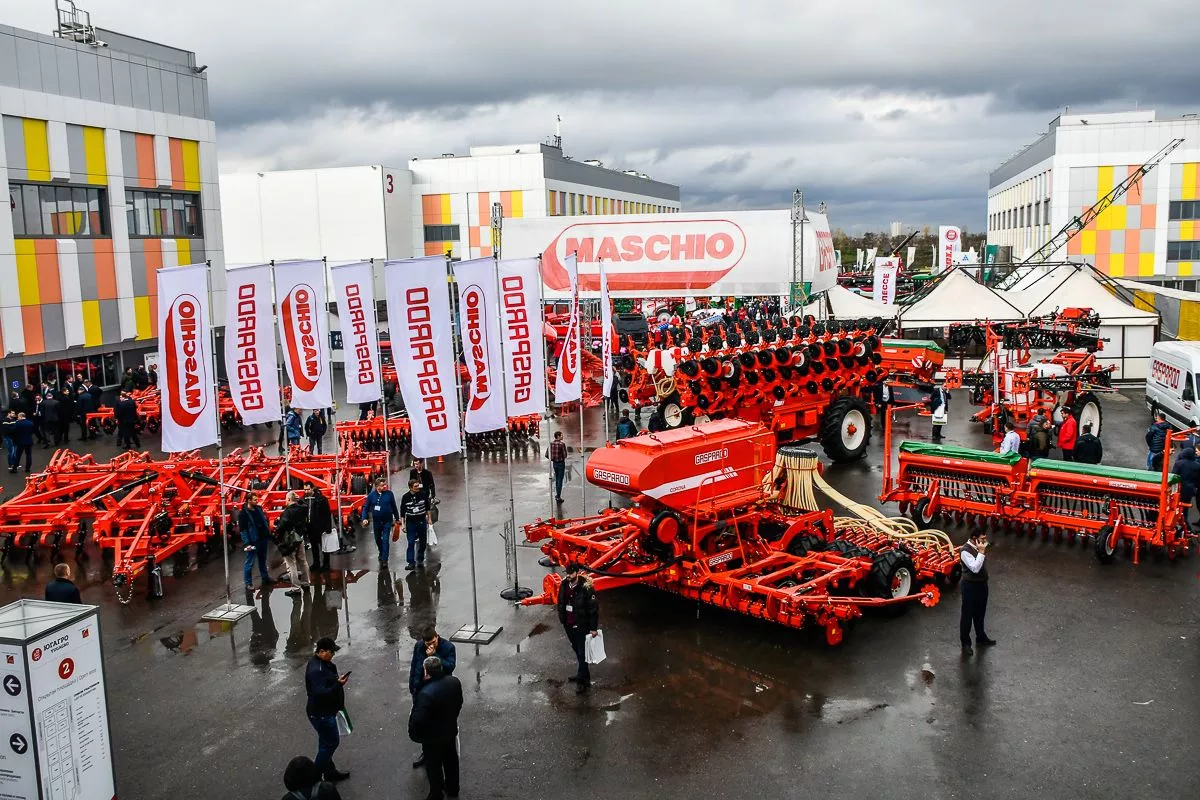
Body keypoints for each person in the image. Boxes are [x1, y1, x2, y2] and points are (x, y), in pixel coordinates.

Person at [408, 655, 463, 800]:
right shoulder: (454, 682)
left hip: (432, 738)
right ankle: (453, 788)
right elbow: (459, 703)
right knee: (451, 762)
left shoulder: (426, 693)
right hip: (450, 731)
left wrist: (415, 732)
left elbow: (418, 719)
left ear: (426, 671)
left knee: (434, 767)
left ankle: (437, 793)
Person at [409, 627, 457, 770]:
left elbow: (450, 667)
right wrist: (413, 687)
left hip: (439, 693)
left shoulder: (448, 647)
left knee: (442, 724)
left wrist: (435, 655)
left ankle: (445, 754)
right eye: (427, 644)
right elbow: (414, 666)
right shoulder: (419, 646)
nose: (430, 646)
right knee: (424, 723)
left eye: (433, 642)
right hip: (421, 691)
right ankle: (427, 753)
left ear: (437, 637)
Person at [305, 637, 350, 783]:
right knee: (331, 743)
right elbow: (320, 693)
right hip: (321, 714)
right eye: (331, 652)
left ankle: (329, 772)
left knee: (325, 743)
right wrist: (338, 684)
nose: (333, 655)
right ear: (321, 652)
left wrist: (336, 682)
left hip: (324, 712)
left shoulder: (322, 664)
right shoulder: (316, 670)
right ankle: (315, 777)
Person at [556, 563, 599, 693]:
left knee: (581, 652)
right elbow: (561, 602)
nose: (568, 576)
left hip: (581, 625)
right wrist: (563, 619)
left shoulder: (586, 588)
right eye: (567, 573)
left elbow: (593, 609)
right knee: (577, 650)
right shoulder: (564, 585)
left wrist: (593, 628)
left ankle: (581, 681)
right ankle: (585, 676)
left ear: (577, 573)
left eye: (571, 573)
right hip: (568, 624)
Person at [959, 529, 996, 656]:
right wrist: (981, 552)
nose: (985, 542)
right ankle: (965, 644)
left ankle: (981, 637)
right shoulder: (965, 551)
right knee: (967, 615)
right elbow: (975, 568)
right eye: (982, 539)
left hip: (982, 585)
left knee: (980, 613)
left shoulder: (979, 546)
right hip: (970, 587)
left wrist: (982, 549)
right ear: (974, 539)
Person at [274, 491, 312, 596]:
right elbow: (305, 505)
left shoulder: (287, 512)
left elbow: (281, 528)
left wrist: (277, 536)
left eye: (286, 499)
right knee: (303, 561)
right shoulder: (302, 509)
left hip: (290, 541)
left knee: (291, 564)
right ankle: (306, 583)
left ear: (289, 499)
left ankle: (296, 588)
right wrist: (300, 500)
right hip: (300, 538)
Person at [361, 477, 400, 565]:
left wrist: (397, 518)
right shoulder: (371, 496)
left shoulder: (389, 494)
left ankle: (385, 559)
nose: (384, 487)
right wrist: (364, 518)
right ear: (377, 486)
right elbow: (366, 508)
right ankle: (381, 552)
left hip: (387, 521)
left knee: (385, 540)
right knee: (378, 539)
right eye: (382, 485)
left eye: (385, 485)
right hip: (377, 522)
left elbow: (394, 506)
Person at [239, 493, 274, 589]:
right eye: (255, 500)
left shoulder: (258, 508)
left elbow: (263, 521)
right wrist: (247, 543)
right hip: (253, 541)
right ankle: (248, 583)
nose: (257, 501)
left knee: (263, 559)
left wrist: (268, 533)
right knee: (250, 562)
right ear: (249, 500)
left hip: (263, 538)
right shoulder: (243, 514)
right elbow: (243, 530)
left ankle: (265, 577)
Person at [400, 478, 431, 571]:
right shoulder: (405, 497)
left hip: (421, 521)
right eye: (415, 486)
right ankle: (411, 562)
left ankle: (420, 559)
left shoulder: (423, 494)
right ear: (410, 488)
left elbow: (428, 508)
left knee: (423, 542)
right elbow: (402, 512)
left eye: (418, 485)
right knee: (410, 542)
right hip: (411, 523)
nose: (418, 487)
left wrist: (429, 519)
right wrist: (403, 524)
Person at [305, 484, 334, 573]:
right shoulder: (304, 499)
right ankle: (316, 563)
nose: (306, 491)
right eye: (305, 490)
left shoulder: (321, 499)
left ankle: (326, 564)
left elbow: (327, 514)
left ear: (312, 489)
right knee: (314, 547)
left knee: (324, 547)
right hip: (310, 527)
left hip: (320, 528)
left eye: (308, 489)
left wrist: (328, 528)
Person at [1172, 443, 1200, 524]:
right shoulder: (1197, 465)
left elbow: (1174, 476)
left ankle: (1176, 522)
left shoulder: (1179, 463)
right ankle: (1184, 522)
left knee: (1175, 506)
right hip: (1190, 490)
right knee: (1185, 508)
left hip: (1179, 489)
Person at [549, 431, 568, 503]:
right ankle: (558, 497)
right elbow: (565, 455)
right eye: (561, 435)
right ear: (558, 436)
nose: (562, 436)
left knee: (557, 479)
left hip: (554, 463)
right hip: (561, 464)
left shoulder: (551, 444)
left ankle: (557, 494)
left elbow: (548, 454)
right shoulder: (562, 444)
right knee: (560, 480)